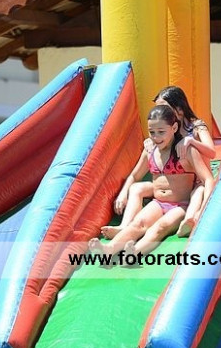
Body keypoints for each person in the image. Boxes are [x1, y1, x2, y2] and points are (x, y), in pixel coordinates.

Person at [89, 105, 213, 257]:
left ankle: (134, 253)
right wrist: (123, 193)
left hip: (181, 205)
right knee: (138, 223)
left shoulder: (185, 151)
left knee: (160, 227)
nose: (156, 137)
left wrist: (202, 208)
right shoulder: (150, 150)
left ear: (174, 128)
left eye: (161, 132)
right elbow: (135, 176)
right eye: (152, 132)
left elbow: (207, 179)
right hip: (158, 203)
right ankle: (110, 248)